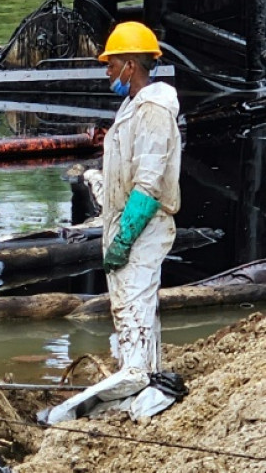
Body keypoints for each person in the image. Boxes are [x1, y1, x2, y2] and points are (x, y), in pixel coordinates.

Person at [44, 22, 181, 424]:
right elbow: (126, 173)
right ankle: (149, 380)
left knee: (133, 318)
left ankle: (78, 410)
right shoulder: (132, 106)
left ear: (131, 65)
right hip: (124, 224)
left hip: (141, 229)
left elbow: (149, 183)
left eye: (112, 63)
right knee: (136, 320)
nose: (107, 71)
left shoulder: (154, 112)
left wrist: (124, 237)